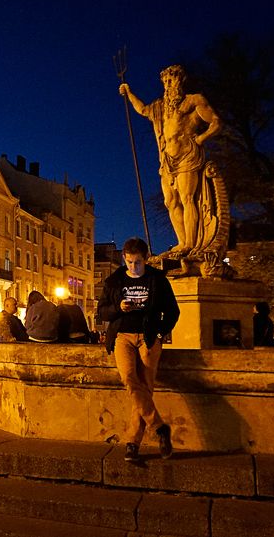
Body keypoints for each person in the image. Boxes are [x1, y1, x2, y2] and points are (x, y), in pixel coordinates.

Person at [120, 65, 223, 256]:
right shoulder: (160, 107)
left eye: (171, 80)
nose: (168, 85)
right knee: (170, 201)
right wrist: (129, 93)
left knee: (187, 198)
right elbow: (142, 109)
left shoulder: (193, 101)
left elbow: (216, 122)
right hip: (167, 160)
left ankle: (191, 245)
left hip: (187, 156)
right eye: (165, 82)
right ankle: (182, 241)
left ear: (180, 81)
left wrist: (201, 138)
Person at [97, 237, 180, 462]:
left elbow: (173, 311)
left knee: (145, 387)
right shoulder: (114, 281)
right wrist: (118, 307)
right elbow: (102, 311)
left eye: (138, 263)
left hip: (149, 336)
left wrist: (162, 331)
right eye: (130, 262)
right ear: (124, 258)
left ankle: (132, 443)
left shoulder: (157, 280)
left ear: (146, 260)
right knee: (129, 379)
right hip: (122, 335)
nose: (134, 267)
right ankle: (160, 427)